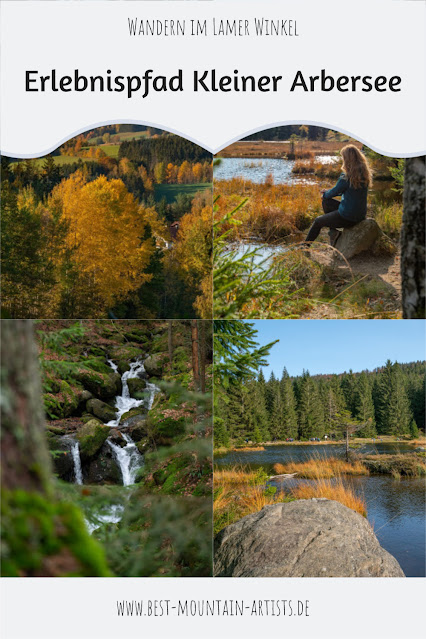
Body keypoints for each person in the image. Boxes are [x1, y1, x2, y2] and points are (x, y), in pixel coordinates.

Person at [305, 144, 372, 245]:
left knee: (318, 221)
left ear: (347, 159)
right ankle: (334, 233)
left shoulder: (346, 176)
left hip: (348, 217)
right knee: (327, 201)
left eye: (343, 157)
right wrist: (328, 192)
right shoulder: (364, 174)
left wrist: (324, 194)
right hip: (360, 215)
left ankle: (304, 246)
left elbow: (334, 192)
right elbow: (349, 191)